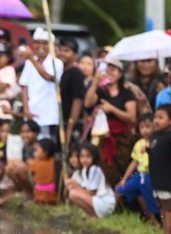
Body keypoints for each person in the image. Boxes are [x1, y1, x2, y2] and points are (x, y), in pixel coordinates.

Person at [84, 58, 137, 187]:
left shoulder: (127, 93)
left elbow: (132, 117)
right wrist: (96, 82)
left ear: (120, 73)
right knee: (106, 167)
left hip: (122, 137)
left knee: (122, 165)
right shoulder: (102, 92)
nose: (109, 73)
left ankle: (124, 196)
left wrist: (112, 109)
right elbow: (88, 103)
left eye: (113, 70)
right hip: (104, 136)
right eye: (107, 70)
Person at [19, 28, 64, 144]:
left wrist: (32, 60)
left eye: (44, 43)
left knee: (45, 146)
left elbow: (48, 77)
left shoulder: (56, 63)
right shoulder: (29, 62)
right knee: (30, 145)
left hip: (47, 115)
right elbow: (24, 86)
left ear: (51, 45)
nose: (41, 46)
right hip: (31, 113)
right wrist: (26, 109)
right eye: (37, 42)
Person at [115, 112, 160, 224]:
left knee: (149, 200)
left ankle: (154, 221)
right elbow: (134, 162)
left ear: (155, 126)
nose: (145, 130)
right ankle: (119, 216)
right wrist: (124, 179)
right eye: (142, 127)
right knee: (119, 190)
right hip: (139, 175)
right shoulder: (139, 144)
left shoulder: (157, 142)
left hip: (150, 176)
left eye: (148, 127)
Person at [147, 105, 171, 234]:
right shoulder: (155, 135)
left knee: (169, 208)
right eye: (156, 117)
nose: (156, 120)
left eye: (161, 117)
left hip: (168, 180)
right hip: (157, 179)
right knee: (162, 207)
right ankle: (164, 233)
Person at [65, 142, 116, 218]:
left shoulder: (95, 169)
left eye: (88, 156)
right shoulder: (85, 170)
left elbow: (91, 193)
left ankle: (93, 215)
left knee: (73, 193)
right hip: (98, 201)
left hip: (105, 202)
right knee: (73, 192)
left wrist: (76, 186)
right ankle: (92, 215)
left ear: (94, 157)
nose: (84, 160)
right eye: (82, 157)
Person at [57, 38, 85, 142]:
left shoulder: (76, 73)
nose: (62, 53)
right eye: (60, 50)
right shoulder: (61, 72)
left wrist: (70, 126)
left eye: (66, 51)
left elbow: (77, 100)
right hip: (61, 122)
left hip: (71, 124)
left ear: (75, 55)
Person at [29, 139, 58, 205]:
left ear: (45, 152)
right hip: (52, 193)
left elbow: (31, 173)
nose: (34, 153)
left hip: (39, 193)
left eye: (36, 150)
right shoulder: (53, 162)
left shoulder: (35, 163)